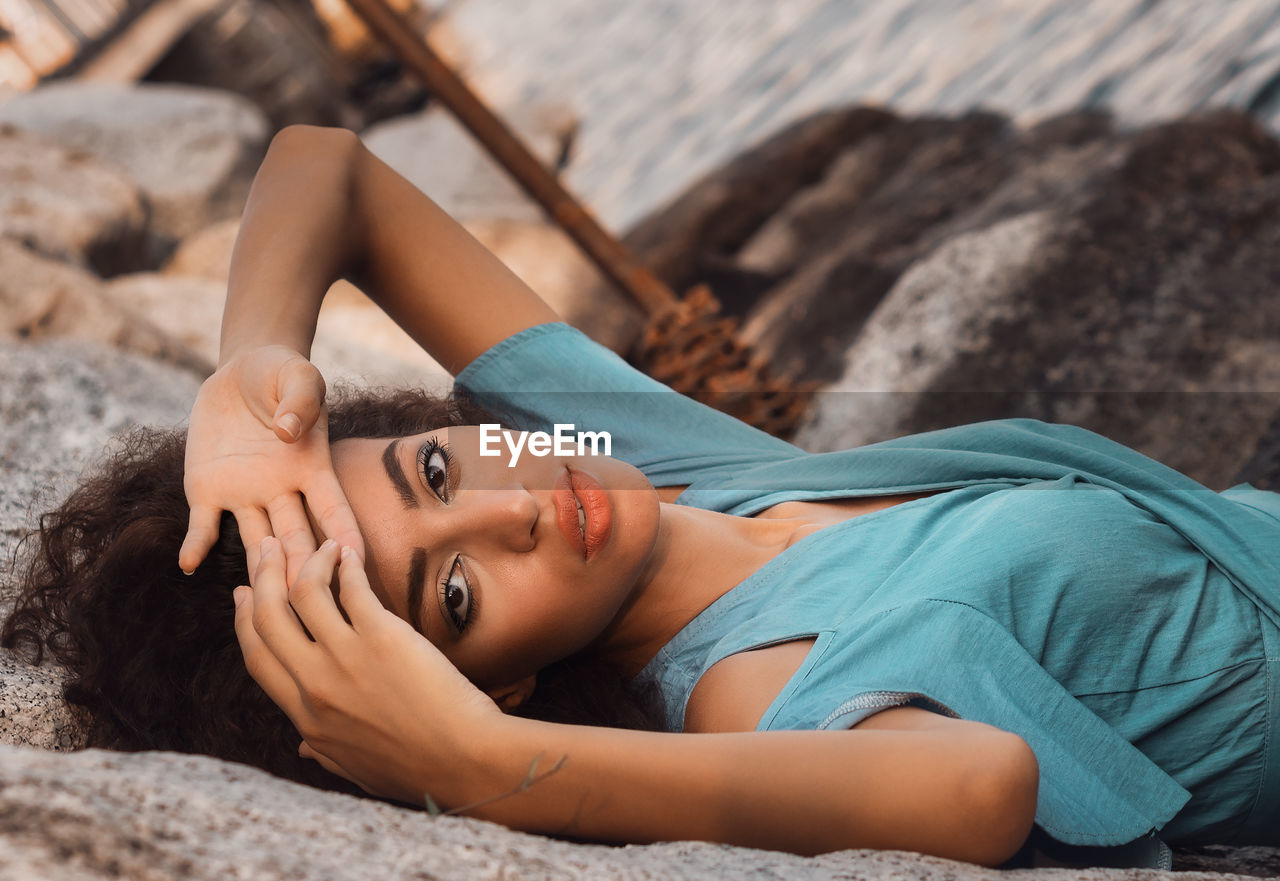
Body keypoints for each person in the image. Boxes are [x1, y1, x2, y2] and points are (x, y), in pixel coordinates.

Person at [7, 124, 1280, 871]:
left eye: (434, 468)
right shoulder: (739, 690)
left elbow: (326, 168)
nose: (507, 510)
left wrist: (248, 379)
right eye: (451, 594)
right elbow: (974, 789)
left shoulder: (634, 464)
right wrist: (481, 765)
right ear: (481, 682)